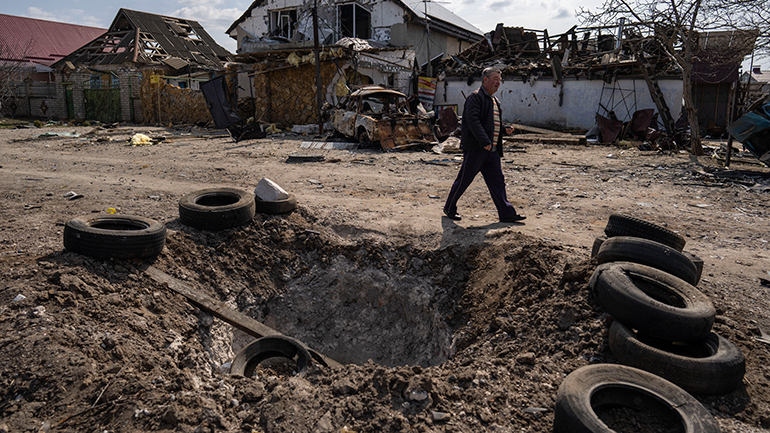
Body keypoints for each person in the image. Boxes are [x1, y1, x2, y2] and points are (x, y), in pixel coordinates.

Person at [443, 67, 525, 223]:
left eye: (499, 80)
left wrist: (503, 129)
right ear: (485, 80)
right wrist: (484, 141)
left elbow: (490, 125)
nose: (498, 82)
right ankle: (449, 207)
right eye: (495, 78)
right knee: (464, 179)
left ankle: (506, 213)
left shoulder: (494, 100)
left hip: (491, 150)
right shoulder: (475, 98)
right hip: (477, 149)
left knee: (498, 181)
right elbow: (473, 122)